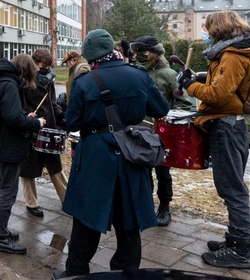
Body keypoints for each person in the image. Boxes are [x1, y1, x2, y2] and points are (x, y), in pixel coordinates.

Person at [53, 29, 169, 278]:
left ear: (90, 55)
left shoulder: (85, 82)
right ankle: (126, 273)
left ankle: (75, 273)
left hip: (95, 156)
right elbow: (160, 108)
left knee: (87, 218)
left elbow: (71, 123)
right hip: (131, 153)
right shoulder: (139, 76)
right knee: (129, 219)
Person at [176, 10, 250, 269]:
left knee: (232, 188)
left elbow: (219, 95)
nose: (206, 32)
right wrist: (200, 77)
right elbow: (226, 83)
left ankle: (240, 249)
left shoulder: (233, 54)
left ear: (219, 29)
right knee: (230, 186)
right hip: (228, 124)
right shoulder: (233, 51)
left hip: (227, 125)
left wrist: (190, 85)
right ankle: (237, 239)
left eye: (208, 28)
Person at [130, 35, 192, 227]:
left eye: (142, 53)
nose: (138, 56)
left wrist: (169, 118)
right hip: (140, 131)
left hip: (162, 132)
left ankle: (164, 206)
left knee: (162, 172)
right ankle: (145, 204)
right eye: (136, 53)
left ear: (155, 53)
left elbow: (185, 104)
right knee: (142, 170)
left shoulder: (169, 74)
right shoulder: (136, 72)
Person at [0, 54, 46, 255]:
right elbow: (12, 119)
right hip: (8, 146)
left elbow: (8, 114)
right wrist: (35, 122)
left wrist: (23, 115)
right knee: (7, 191)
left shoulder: (1, 80)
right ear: (24, 70)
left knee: (0, 187)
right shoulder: (10, 85)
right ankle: (1, 238)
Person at [20, 49, 67, 217]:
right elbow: (21, 104)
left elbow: (52, 102)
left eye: (48, 65)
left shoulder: (49, 80)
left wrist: (61, 115)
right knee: (28, 169)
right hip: (32, 128)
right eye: (43, 65)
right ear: (34, 63)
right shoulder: (24, 80)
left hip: (50, 128)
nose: (46, 68)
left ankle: (67, 199)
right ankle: (31, 203)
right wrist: (27, 115)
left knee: (55, 166)